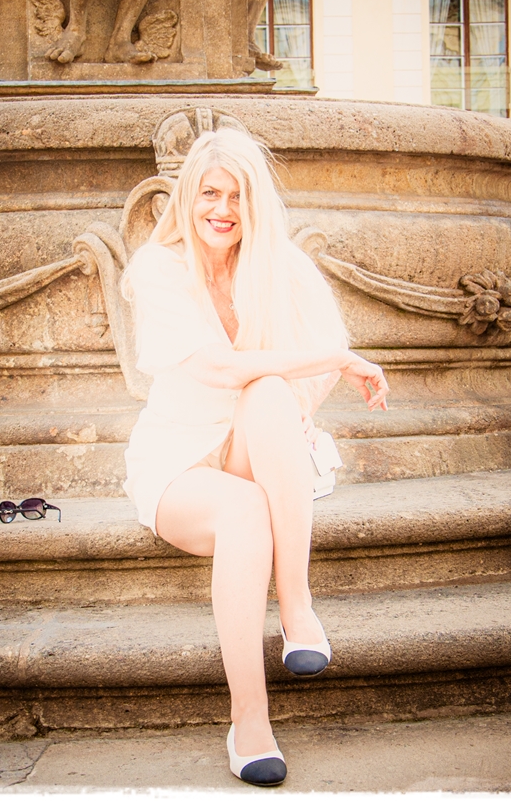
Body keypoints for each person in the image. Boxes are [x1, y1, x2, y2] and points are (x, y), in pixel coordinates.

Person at [120, 128, 389, 786]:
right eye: (210, 193)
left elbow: (315, 367)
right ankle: (250, 721)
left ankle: (296, 608)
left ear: (255, 204)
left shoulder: (279, 264)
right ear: (188, 196)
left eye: (237, 196)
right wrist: (334, 359)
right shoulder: (157, 268)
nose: (223, 209)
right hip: (180, 463)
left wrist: (298, 407)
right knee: (242, 507)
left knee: (270, 394)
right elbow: (217, 367)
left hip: (249, 442)